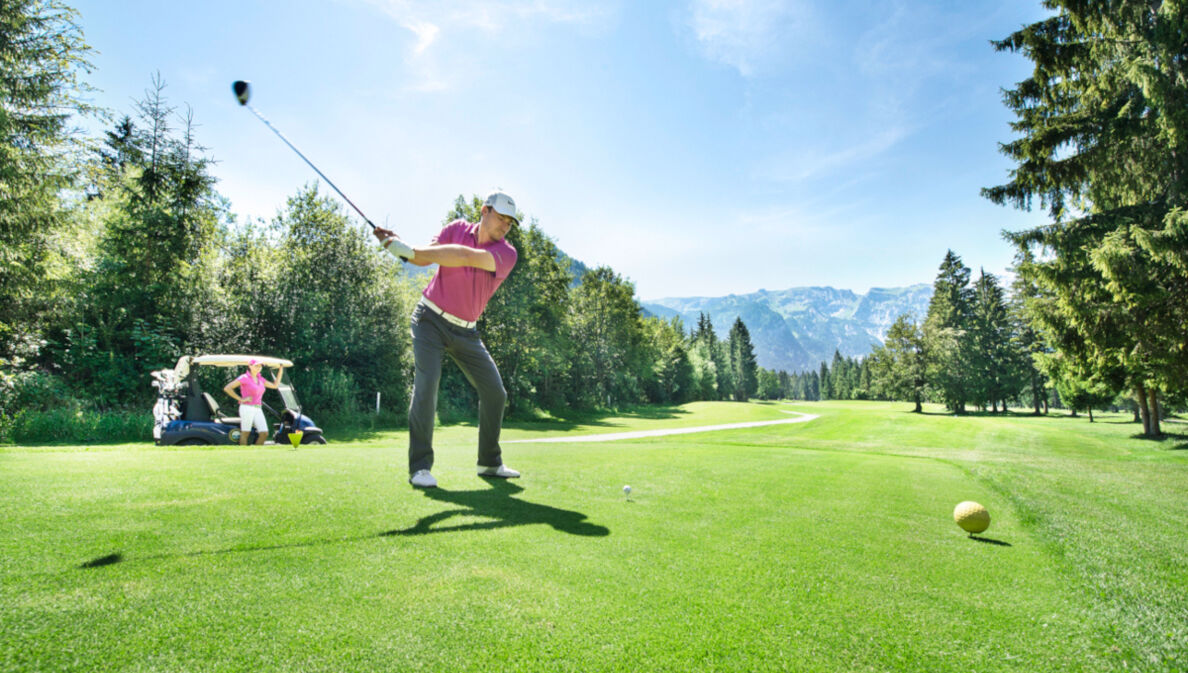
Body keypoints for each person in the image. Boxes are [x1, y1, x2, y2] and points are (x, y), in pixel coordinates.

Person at [373, 191, 520, 488]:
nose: (505, 225)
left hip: (467, 331)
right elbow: (425, 255)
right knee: (427, 387)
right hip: (429, 320)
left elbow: (465, 256)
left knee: (496, 393)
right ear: (484, 210)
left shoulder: (507, 253)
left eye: (510, 222)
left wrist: (410, 250)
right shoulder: (455, 229)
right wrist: (398, 246)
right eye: (501, 217)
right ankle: (420, 468)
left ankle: (489, 463)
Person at [223, 359, 283, 445]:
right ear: (250, 366)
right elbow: (227, 388)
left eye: (260, 366)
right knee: (245, 433)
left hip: (258, 408)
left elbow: (275, 385)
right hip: (246, 408)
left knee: (264, 433)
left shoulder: (260, 379)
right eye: (256, 366)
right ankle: (243, 454)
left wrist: (280, 370)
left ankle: (255, 453)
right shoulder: (244, 377)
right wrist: (241, 399)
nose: (258, 368)